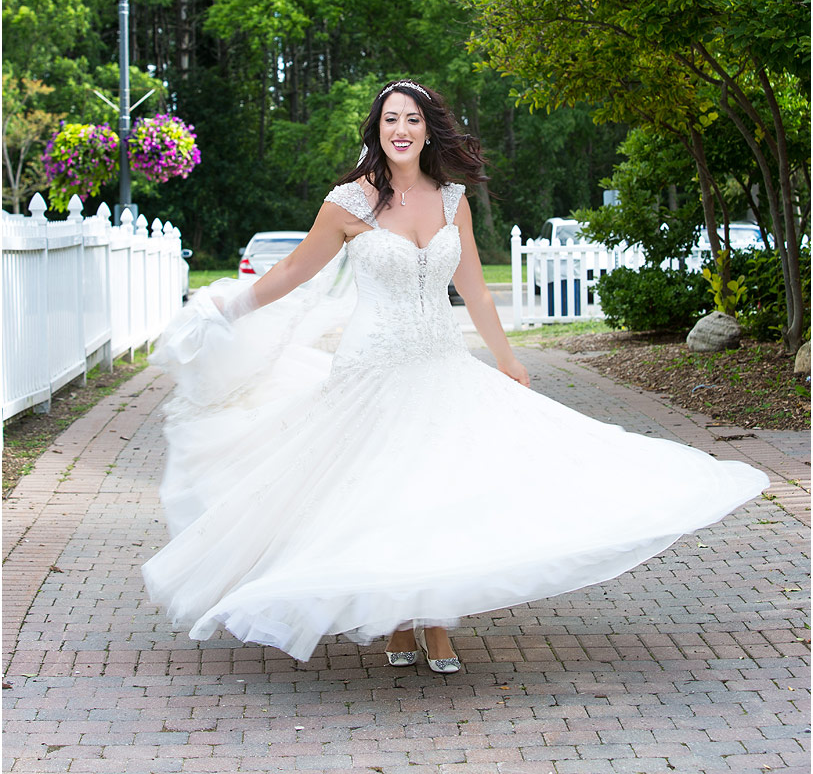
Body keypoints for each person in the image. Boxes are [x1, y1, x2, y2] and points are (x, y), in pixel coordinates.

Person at [142, 79, 770, 673]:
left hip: (440, 361)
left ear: (428, 130)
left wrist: (507, 358)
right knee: (381, 488)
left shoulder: (451, 199)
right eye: (391, 119)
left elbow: (473, 288)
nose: (401, 129)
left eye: (412, 119)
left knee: (435, 485)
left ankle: (434, 616)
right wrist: (230, 309)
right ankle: (394, 614)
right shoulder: (348, 202)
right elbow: (294, 273)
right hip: (373, 366)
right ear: (377, 129)